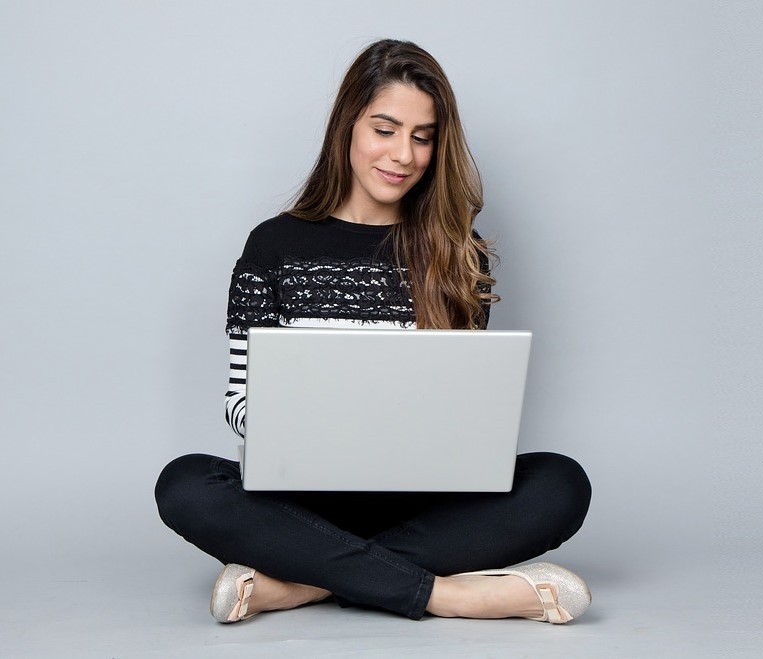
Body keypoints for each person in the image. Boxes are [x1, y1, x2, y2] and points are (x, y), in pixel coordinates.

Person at [154, 39, 592, 624]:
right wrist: (309, 420)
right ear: (347, 127)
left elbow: (468, 410)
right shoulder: (273, 246)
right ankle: (446, 594)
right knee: (184, 484)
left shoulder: (459, 255)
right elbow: (239, 401)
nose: (403, 155)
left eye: (422, 136)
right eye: (385, 129)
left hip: (425, 503)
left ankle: (303, 581)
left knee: (562, 483)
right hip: (298, 500)